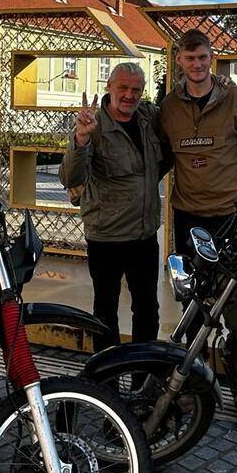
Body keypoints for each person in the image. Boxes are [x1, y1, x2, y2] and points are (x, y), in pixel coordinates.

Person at [59, 62, 169, 350]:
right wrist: (81, 138)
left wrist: (220, 84)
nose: (129, 95)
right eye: (123, 88)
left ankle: (142, 369)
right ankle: (107, 371)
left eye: (136, 89)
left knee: (147, 309)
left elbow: (166, 152)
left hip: (144, 234)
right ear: (109, 87)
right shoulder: (93, 124)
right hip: (107, 236)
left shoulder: (148, 116)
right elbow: (70, 177)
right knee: (105, 311)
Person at [158, 28, 237, 256]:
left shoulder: (235, 98)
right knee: (191, 276)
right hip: (188, 214)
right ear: (179, 59)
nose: (197, 64)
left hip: (231, 213)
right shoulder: (169, 106)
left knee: (234, 278)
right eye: (190, 58)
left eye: (202, 57)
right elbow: (161, 158)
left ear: (211, 57)